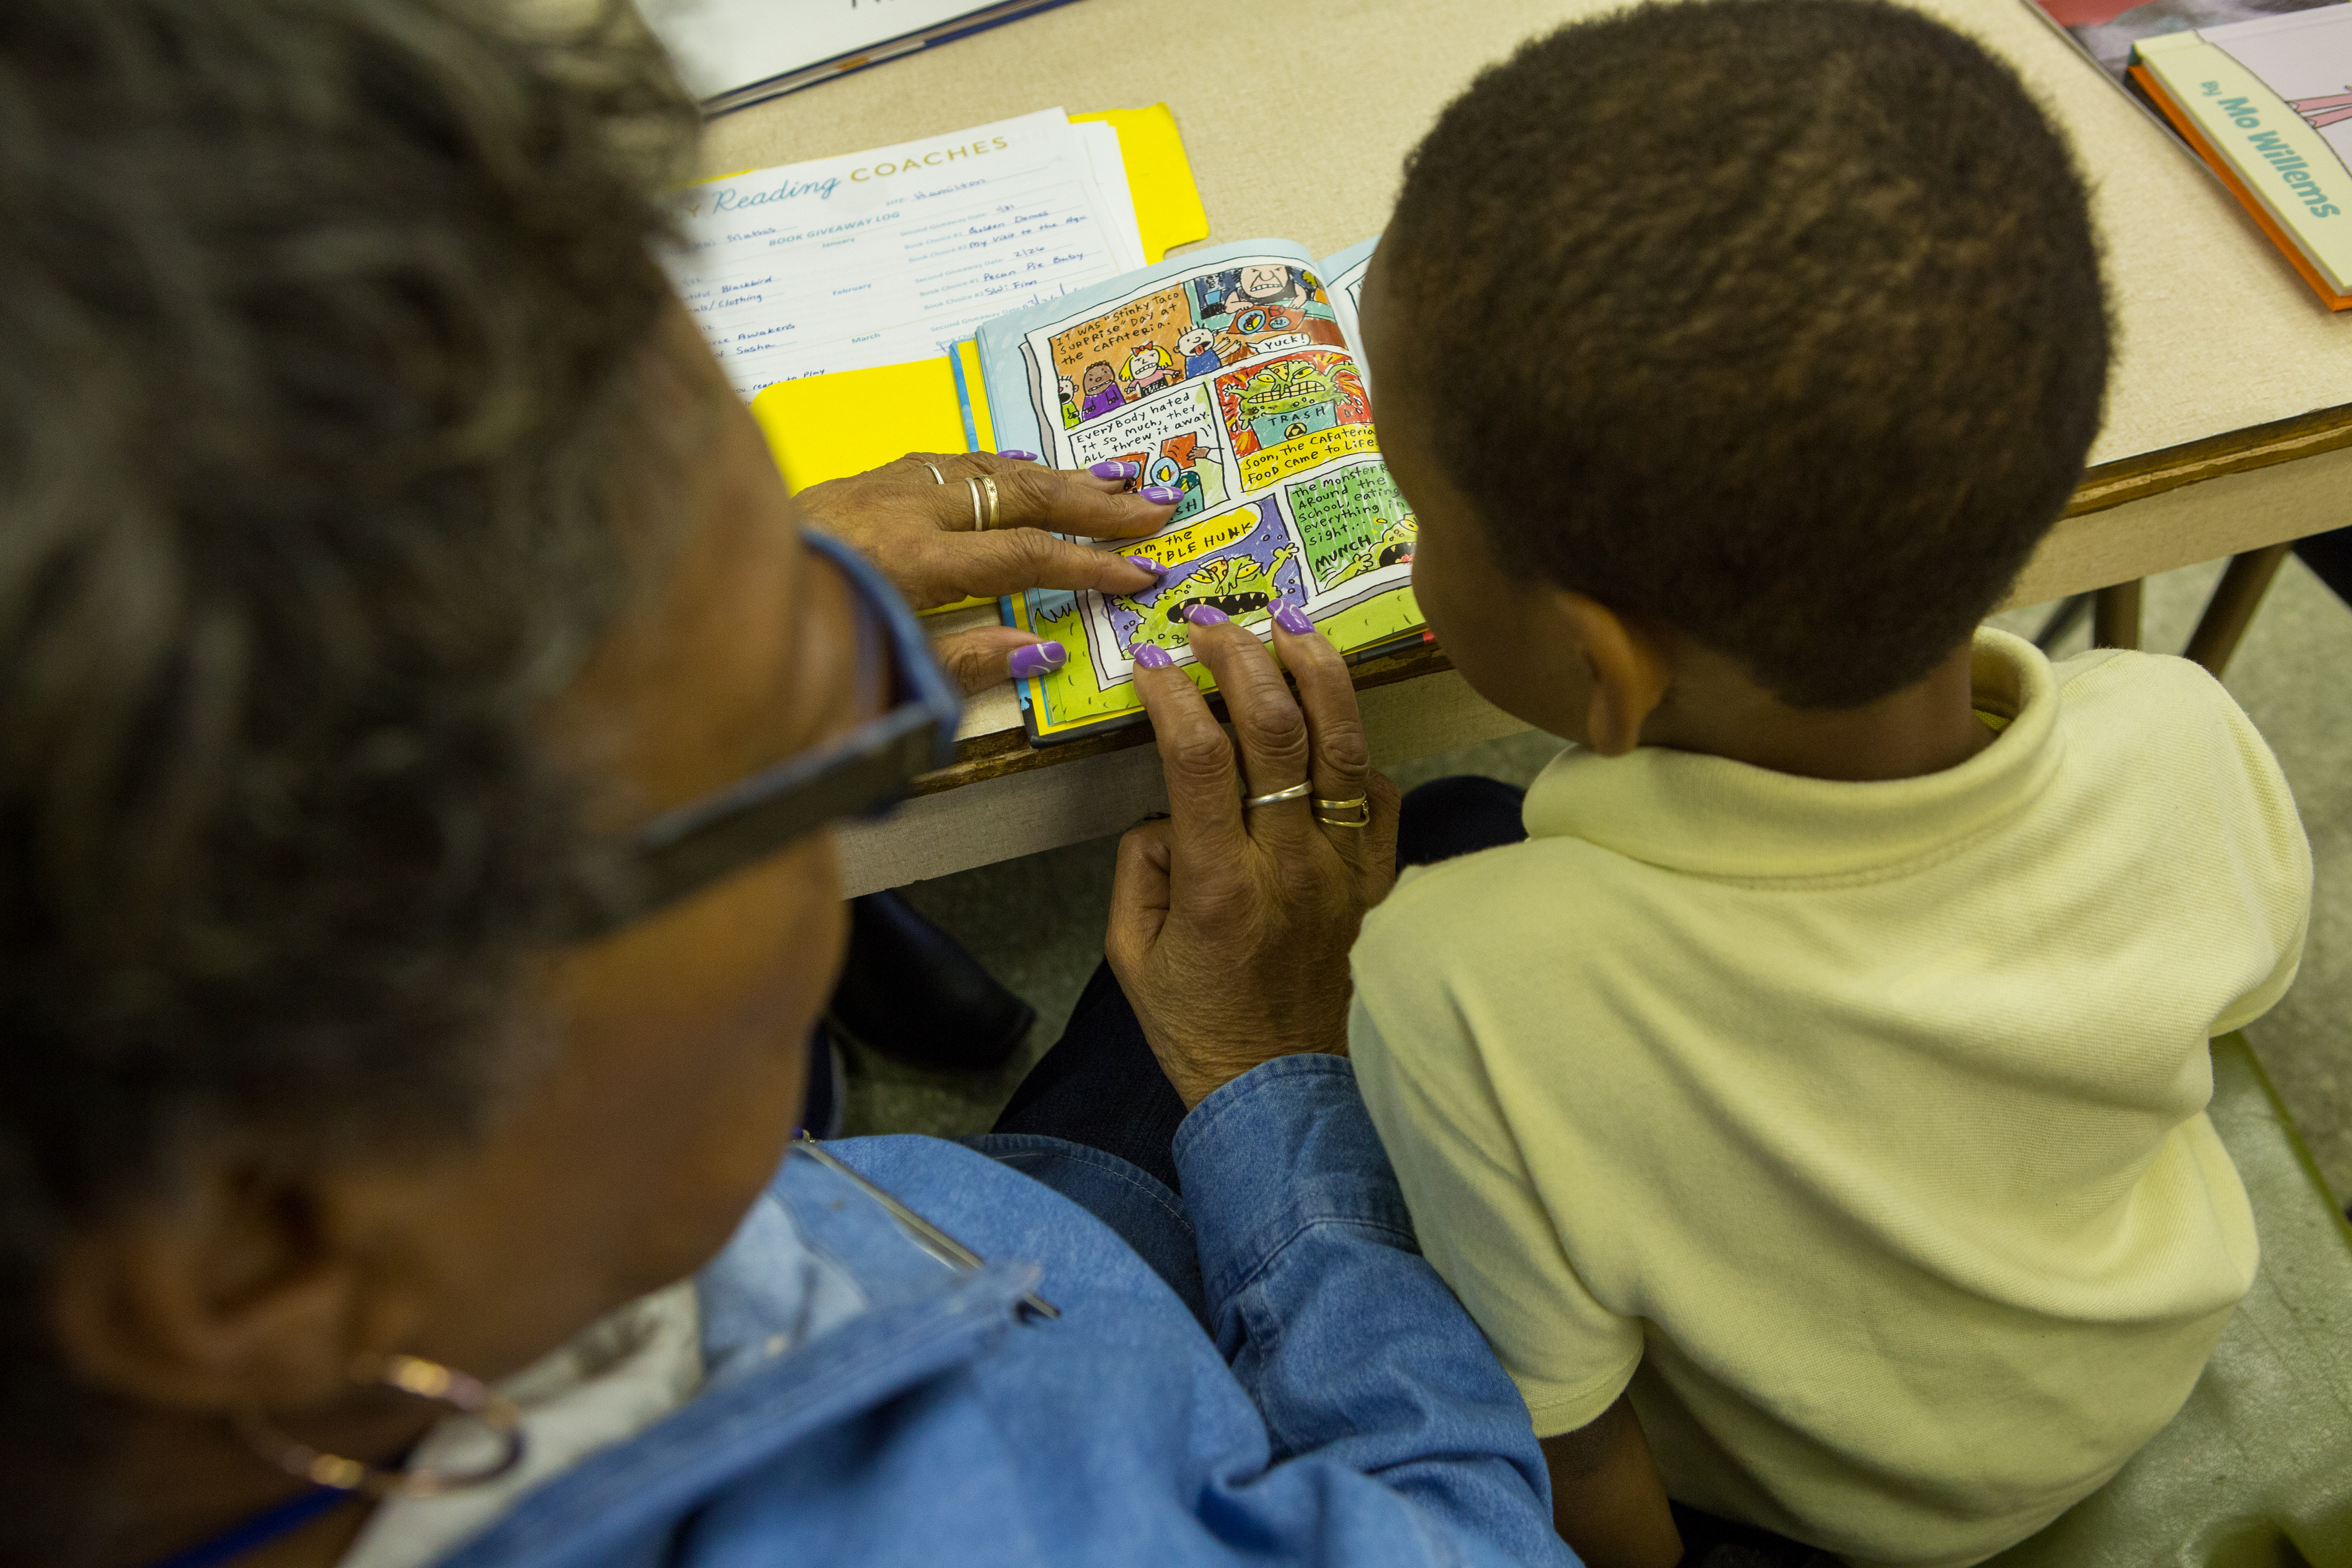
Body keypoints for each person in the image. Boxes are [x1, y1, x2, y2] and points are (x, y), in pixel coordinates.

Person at [0, 5, 1577, 1568]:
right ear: (259, 1251)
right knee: (1444, 855)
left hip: (946, 1236)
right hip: (1092, 1329)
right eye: (805, 745)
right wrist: (1271, 1077)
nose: (855, 661)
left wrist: (726, 591)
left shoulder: (368, 1230)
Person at [1345, 4, 2314, 1567]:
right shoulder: (2187, 733)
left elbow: (1567, 1444)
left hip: (1834, 1507)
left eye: (1409, 501)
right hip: (2141, 1351)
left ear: (1607, 664)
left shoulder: (1456, 986)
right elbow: (2213, 999)